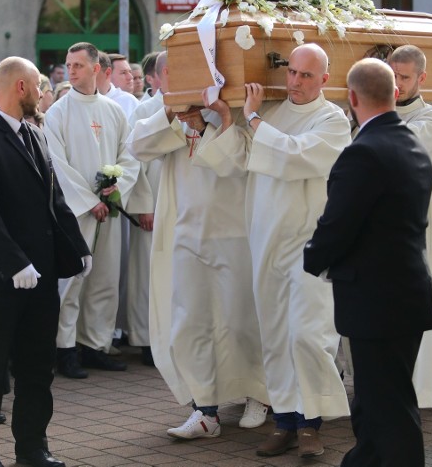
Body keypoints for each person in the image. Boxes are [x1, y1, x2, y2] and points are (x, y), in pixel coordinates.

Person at [199, 44, 349, 456]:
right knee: (276, 334)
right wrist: (228, 119)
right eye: (293, 72)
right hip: (267, 239)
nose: (296, 82)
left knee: (309, 334)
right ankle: (284, 420)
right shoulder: (271, 113)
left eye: (306, 75)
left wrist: (251, 118)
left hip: (309, 244)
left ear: (325, 78)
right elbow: (238, 162)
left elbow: (295, 156)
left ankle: (311, 423)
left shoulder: (333, 120)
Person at [0, 56, 90, 467]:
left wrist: (78, 248)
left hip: (42, 276)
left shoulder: (35, 134)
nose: (43, 93)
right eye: (39, 86)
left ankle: (33, 448)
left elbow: (55, 200)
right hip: (3, 278)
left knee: (37, 369)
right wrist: (14, 263)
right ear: (20, 88)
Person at [304, 58, 432, 467]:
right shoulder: (413, 144)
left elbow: (338, 223)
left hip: (376, 301)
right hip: (406, 294)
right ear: (395, 93)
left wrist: (313, 257)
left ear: (352, 97)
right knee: (377, 405)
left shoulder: (363, 152)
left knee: (389, 409)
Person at [127, 70, 268, 441]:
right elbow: (138, 146)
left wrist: (216, 120)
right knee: (192, 321)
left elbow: (239, 162)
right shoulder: (167, 106)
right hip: (186, 230)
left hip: (235, 230)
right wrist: (175, 116)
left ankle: (259, 393)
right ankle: (205, 411)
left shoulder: (240, 104)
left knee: (241, 320)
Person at [43, 42, 139, 378]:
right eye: (68, 65)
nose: (71, 71)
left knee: (105, 278)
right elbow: (57, 164)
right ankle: (65, 348)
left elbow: (130, 154)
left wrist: (117, 188)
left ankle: (95, 344)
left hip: (107, 210)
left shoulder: (113, 111)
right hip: (76, 212)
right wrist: (89, 200)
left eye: (78, 65)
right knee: (73, 279)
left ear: (96, 69)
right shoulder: (58, 112)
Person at [388, 45, 432, 407]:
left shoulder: (430, 120)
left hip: (423, 217)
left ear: (422, 78)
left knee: (422, 300)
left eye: (404, 78)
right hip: (386, 222)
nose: (396, 85)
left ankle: (416, 391)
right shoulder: (369, 114)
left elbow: (396, 151)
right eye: (391, 76)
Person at [123, 52, 169, 367]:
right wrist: (143, 205)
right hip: (152, 207)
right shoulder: (144, 110)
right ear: (157, 76)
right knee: (146, 277)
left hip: (180, 205)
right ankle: (145, 339)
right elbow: (132, 160)